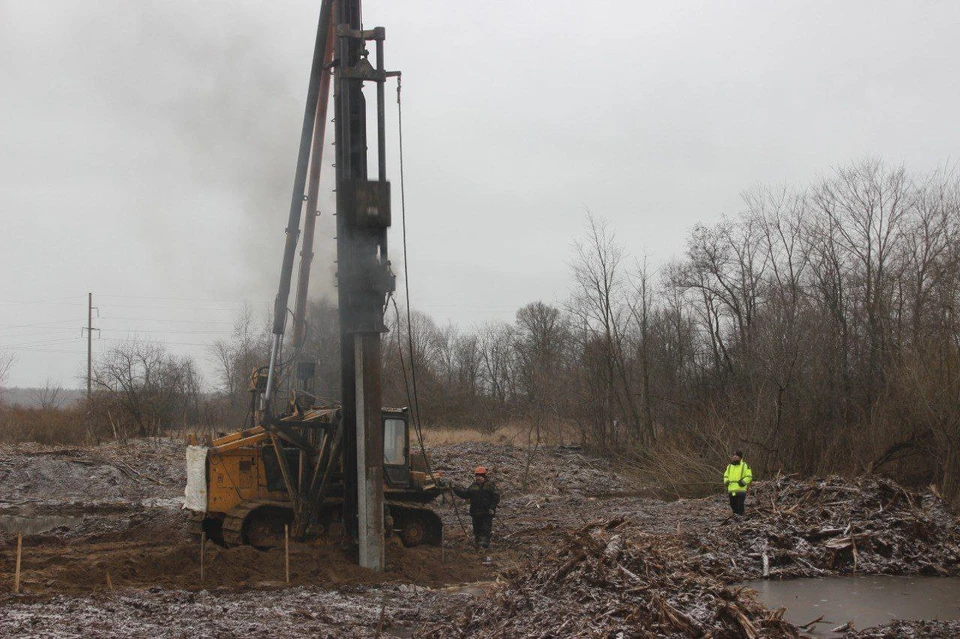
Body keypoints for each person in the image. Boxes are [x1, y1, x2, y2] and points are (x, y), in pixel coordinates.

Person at [452, 466, 500, 549]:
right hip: (475, 513)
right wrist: (455, 489)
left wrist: (492, 508)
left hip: (486, 513)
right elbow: (465, 495)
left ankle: (484, 547)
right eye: (476, 476)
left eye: (479, 476)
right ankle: (478, 546)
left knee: (485, 530)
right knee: (477, 531)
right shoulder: (473, 486)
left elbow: (496, 498)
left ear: (484, 476)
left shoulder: (490, 486)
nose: (477, 478)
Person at [723, 450, 753, 516]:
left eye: (737, 456)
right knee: (733, 505)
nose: (735, 457)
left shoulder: (745, 466)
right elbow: (725, 475)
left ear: (740, 457)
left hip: (741, 490)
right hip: (731, 490)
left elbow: (749, 476)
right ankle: (736, 518)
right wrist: (726, 481)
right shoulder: (729, 466)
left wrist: (743, 482)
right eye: (734, 455)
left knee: (740, 505)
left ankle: (741, 517)